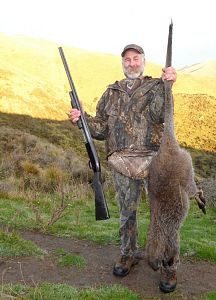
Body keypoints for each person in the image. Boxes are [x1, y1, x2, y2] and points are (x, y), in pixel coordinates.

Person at [69, 43, 177, 291]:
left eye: (136, 58)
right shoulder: (111, 93)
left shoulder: (156, 87)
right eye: (127, 59)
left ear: (144, 61)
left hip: (154, 161)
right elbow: (101, 129)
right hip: (121, 162)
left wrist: (168, 84)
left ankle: (169, 266)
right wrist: (82, 119)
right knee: (127, 214)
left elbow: (162, 115)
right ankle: (128, 255)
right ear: (122, 63)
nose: (131, 63)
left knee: (162, 216)